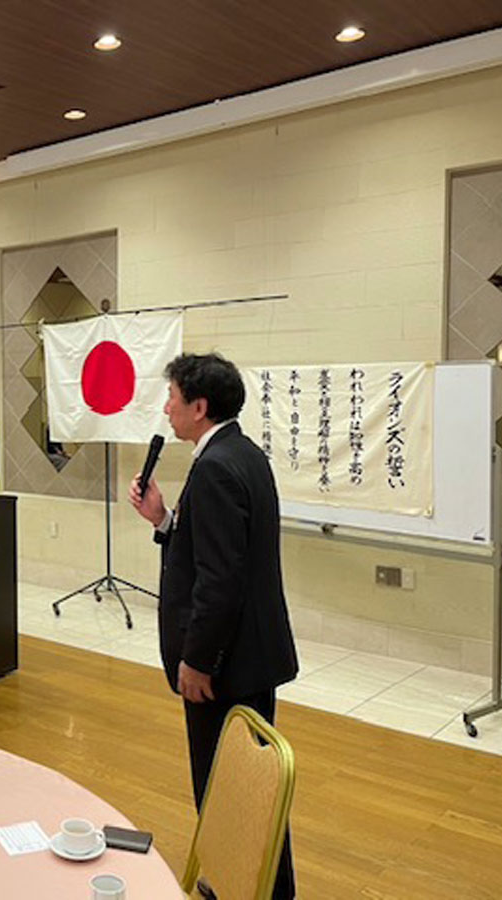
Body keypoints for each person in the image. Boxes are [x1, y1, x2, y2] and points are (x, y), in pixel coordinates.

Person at [129, 352, 298, 899]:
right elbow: (218, 552)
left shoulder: (216, 468)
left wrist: (198, 661)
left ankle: (254, 888)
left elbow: (219, 581)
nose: (167, 409)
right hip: (249, 654)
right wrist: (163, 520)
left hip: (225, 664)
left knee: (230, 787)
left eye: (172, 399)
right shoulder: (242, 454)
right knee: (247, 787)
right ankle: (238, 882)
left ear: (198, 407)